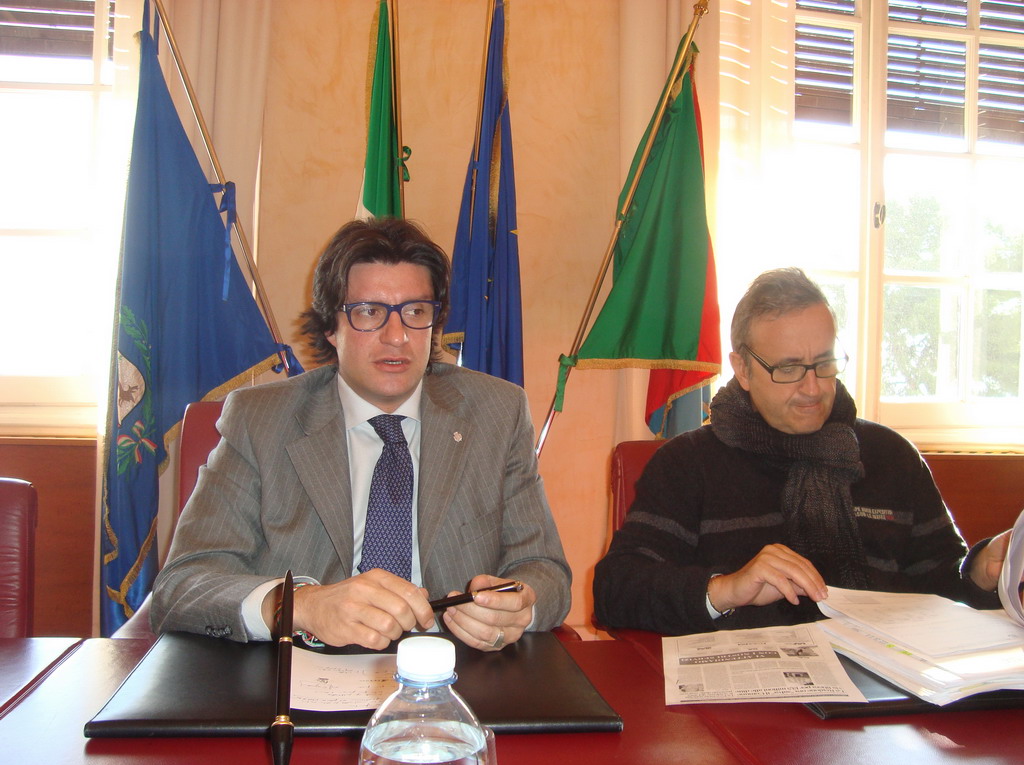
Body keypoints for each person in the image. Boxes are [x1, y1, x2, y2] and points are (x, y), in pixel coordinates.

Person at [151, 217, 571, 651]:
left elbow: (545, 571)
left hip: (451, 669)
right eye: (369, 312)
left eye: (416, 312)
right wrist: (300, 605)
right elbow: (183, 586)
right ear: (330, 327)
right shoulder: (259, 420)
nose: (397, 337)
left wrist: (519, 607)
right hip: (303, 668)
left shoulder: (497, 413)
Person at [593, 267, 1012, 636]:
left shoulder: (892, 456)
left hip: (884, 686)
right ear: (743, 369)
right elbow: (616, 590)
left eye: (824, 363)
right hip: (748, 690)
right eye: (788, 368)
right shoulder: (687, 464)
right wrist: (726, 589)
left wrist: (980, 572)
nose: (812, 388)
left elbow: (939, 583)